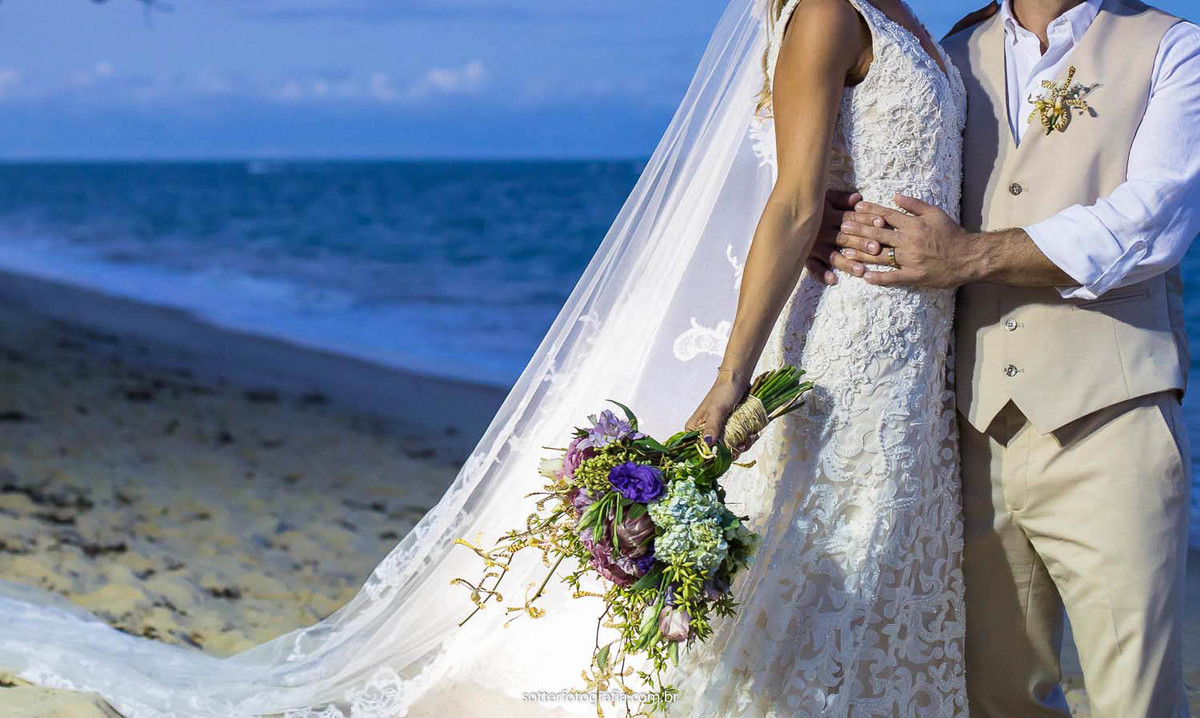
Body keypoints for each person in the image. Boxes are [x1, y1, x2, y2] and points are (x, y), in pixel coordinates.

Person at [0, 1, 969, 715]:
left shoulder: (916, 21)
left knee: (869, 555)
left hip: (911, 346)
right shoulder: (824, 13)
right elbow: (793, 201)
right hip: (844, 341)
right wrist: (725, 386)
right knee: (820, 550)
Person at [831, 1, 1200, 715]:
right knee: (992, 697)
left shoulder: (1174, 48)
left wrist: (971, 255)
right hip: (967, 436)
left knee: (1137, 700)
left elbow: (1153, 222)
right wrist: (828, 219)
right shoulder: (950, 52)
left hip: (1111, 422)